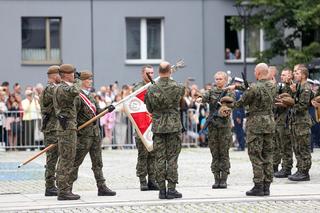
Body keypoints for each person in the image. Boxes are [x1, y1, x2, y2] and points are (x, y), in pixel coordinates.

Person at [229, 63, 276, 196]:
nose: (254, 73)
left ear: (258, 72)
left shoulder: (254, 88)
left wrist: (228, 102)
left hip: (256, 125)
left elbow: (240, 103)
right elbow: (250, 87)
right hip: (270, 123)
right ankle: (267, 186)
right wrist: (239, 86)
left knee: (256, 155)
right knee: (268, 155)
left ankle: (258, 186)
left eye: (255, 71)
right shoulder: (273, 87)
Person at [69, 70, 116, 196]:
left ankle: (102, 187)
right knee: (76, 162)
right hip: (83, 135)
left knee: (97, 162)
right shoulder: (77, 96)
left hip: (95, 134)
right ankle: (67, 187)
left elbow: (97, 111)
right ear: (82, 81)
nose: (90, 81)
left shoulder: (90, 95)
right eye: (88, 79)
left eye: (91, 79)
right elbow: (74, 115)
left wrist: (107, 109)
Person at [145, 61, 185, 199]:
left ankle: (162, 190)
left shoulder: (151, 89)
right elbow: (181, 103)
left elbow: (149, 108)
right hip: (173, 126)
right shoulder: (179, 87)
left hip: (158, 126)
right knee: (172, 158)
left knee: (159, 159)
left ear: (158, 72)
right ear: (170, 71)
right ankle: (172, 188)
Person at [198, 71, 234, 189]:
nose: (218, 81)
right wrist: (200, 99)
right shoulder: (211, 91)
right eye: (216, 79)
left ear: (225, 80)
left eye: (220, 79)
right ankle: (216, 178)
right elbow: (204, 97)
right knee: (214, 153)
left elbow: (230, 104)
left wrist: (224, 108)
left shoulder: (229, 92)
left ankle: (223, 179)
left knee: (224, 153)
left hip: (224, 127)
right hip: (213, 126)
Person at [53, 64, 81, 200]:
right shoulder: (63, 88)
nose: (74, 75)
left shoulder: (61, 87)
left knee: (66, 158)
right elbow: (75, 91)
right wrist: (78, 81)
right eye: (73, 74)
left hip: (67, 127)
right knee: (67, 159)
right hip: (67, 128)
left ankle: (63, 188)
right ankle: (63, 190)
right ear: (67, 74)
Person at [133, 65, 158, 191]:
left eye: (152, 73)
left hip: (153, 126)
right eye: (148, 73)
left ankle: (152, 180)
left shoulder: (155, 85)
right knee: (142, 155)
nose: (151, 75)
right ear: (143, 74)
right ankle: (143, 180)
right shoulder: (139, 87)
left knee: (153, 155)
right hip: (141, 128)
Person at [287, 66, 312, 181]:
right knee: (297, 147)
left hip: (302, 122)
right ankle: (300, 169)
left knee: (303, 148)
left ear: (303, 75)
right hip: (296, 122)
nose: (294, 75)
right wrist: (293, 94)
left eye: (297, 73)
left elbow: (302, 106)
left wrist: (290, 101)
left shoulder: (306, 88)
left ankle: (305, 172)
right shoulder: (298, 87)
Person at [39, 65, 61, 196]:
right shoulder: (50, 89)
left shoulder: (54, 88)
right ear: (54, 75)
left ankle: (54, 185)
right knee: (52, 159)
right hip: (51, 129)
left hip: (56, 128)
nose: (62, 77)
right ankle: (50, 186)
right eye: (60, 74)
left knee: (57, 158)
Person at [273, 68, 294, 178]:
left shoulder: (293, 87)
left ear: (290, 76)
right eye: (281, 75)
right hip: (280, 119)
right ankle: (284, 166)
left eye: (284, 75)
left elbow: (293, 102)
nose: (282, 76)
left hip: (287, 120)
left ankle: (287, 168)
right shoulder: (281, 87)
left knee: (286, 145)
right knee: (281, 145)